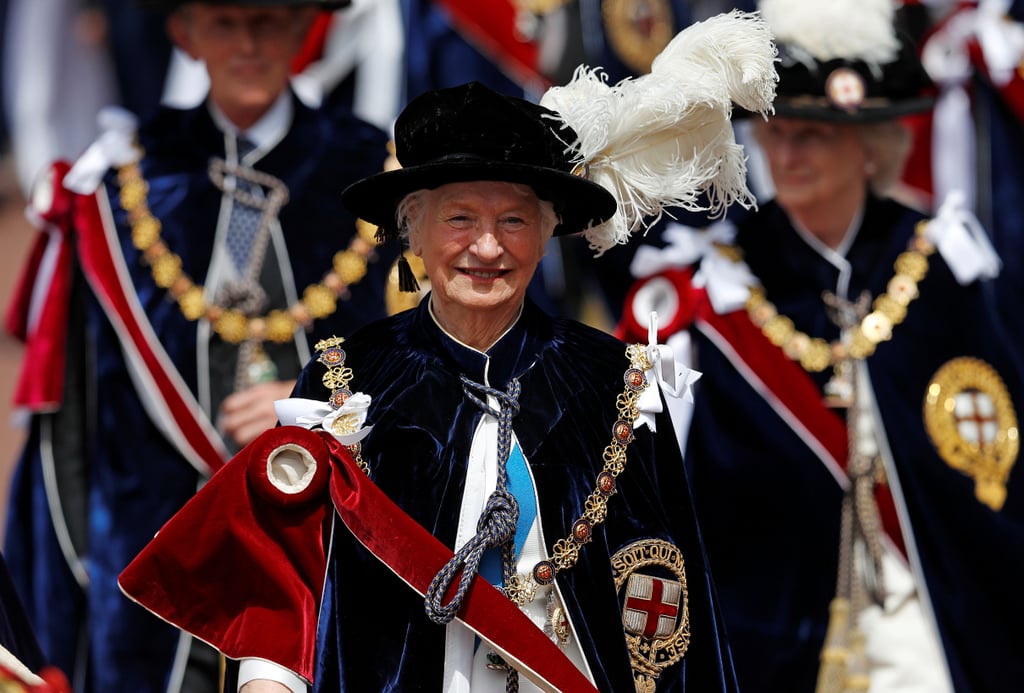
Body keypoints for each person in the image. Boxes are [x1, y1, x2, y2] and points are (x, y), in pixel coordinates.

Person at [118, 11, 779, 689]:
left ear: (549, 230)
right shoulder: (346, 378)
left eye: (514, 220)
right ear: (415, 230)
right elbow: (291, 590)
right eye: (460, 218)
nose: (487, 247)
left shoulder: (616, 383)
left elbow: (670, 608)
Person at [618, 0, 1024, 692]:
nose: (786, 154)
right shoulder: (711, 286)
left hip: (929, 627)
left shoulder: (941, 264)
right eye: (775, 133)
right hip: (774, 643)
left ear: (869, 146)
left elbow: (992, 468)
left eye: (813, 135)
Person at [2, 0, 396, 690]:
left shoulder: (374, 176)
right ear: (182, 33)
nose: (248, 43)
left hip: (321, 560)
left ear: (307, 30)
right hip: (149, 578)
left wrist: (315, 399)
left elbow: (422, 364)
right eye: (223, 22)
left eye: (269, 20)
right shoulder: (121, 184)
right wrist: (61, 610)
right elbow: (70, 426)